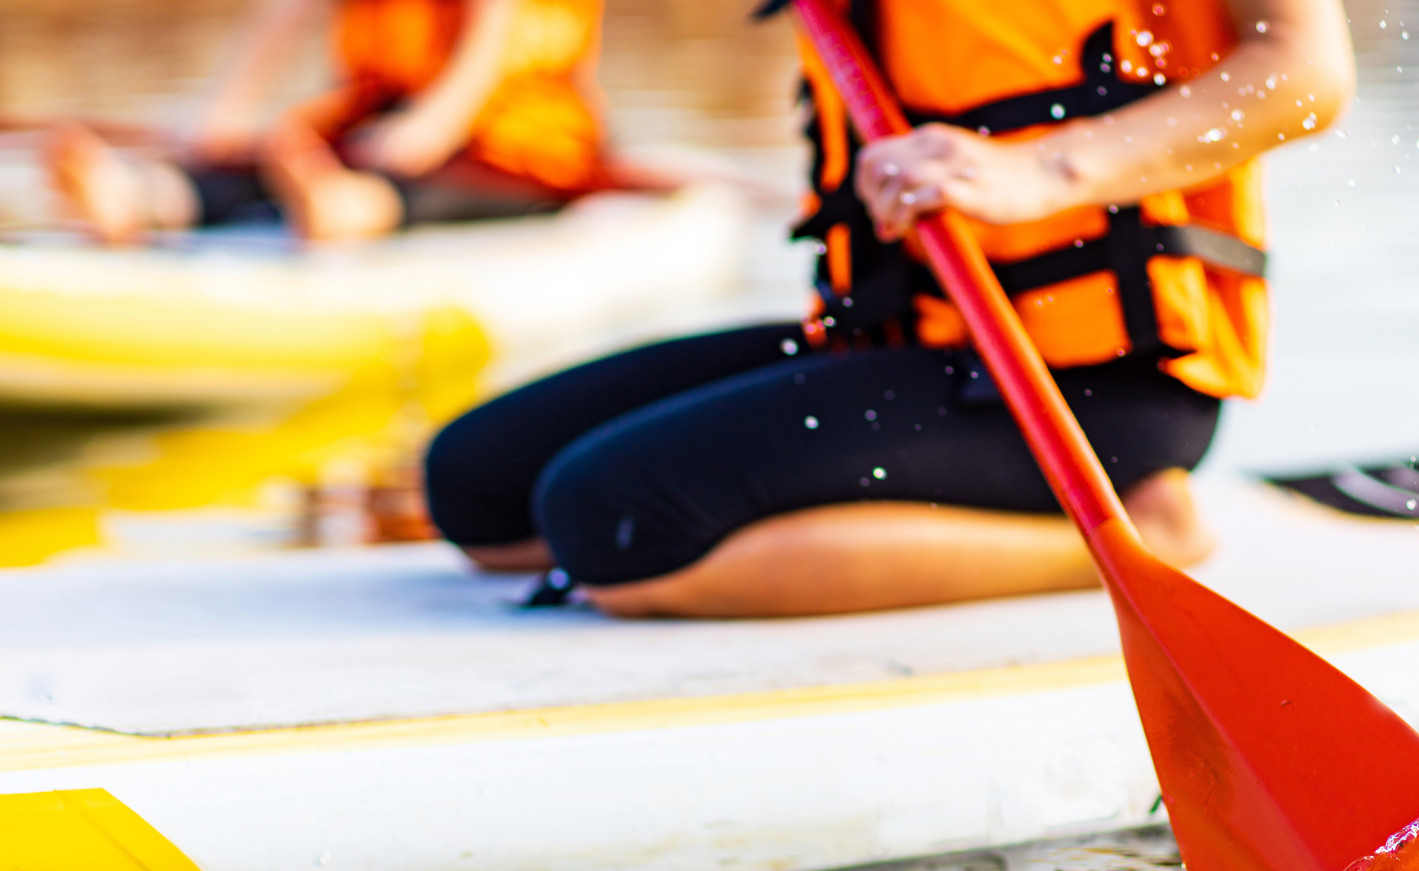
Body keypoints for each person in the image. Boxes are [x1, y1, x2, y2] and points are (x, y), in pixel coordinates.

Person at [424, 0, 1353, 618]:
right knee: (478, 488)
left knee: (615, 529)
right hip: (901, 337)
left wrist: (1044, 168)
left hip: (1093, 380)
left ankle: (1139, 537)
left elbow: (1308, 75)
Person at [45, 0, 649, 243]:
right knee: (284, 149)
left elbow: (499, 21)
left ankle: (346, 210)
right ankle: (148, 198)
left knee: (408, 177)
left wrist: (437, 123)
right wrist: (230, 103)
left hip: (515, 128)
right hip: (384, 107)